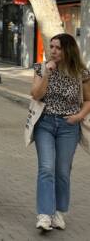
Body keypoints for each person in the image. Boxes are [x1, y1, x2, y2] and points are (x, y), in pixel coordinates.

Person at [30, 33, 90, 232]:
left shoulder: (80, 72)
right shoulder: (41, 68)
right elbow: (36, 94)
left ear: (68, 50)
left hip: (68, 126)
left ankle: (58, 212)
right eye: (51, 47)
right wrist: (47, 73)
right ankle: (44, 214)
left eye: (58, 48)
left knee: (62, 171)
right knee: (46, 168)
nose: (53, 51)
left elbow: (88, 99)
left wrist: (78, 116)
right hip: (45, 124)